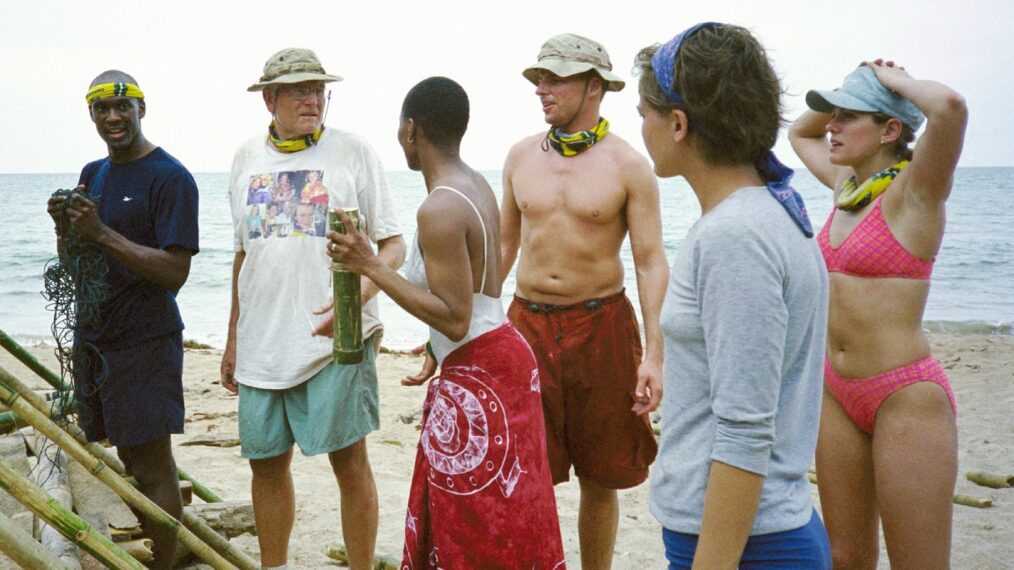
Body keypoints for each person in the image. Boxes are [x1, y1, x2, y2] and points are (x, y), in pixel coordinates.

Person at [327, 75, 565, 569]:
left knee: (472, 522)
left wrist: (369, 264)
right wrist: (437, 349)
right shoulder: (474, 182)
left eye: (401, 127)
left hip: (483, 370)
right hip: (501, 355)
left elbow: (456, 317)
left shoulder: (437, 207)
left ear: (411, 130)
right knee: (507, 516)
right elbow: (480, 295)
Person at [635, 23, 831, 568]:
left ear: (678, 123)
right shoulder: (766, 213)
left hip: (750, 546)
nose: (641, 126)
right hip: (758, 532)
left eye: (644, 112)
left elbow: (745, 433)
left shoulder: (735, 236)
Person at [220, 48, 405, 570]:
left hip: (337, 341)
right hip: (262, 343)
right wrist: (233, 339)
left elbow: (392, 245)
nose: (312, 98)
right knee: (266, 466)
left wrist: (358, 299)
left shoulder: (353, 152)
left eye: (318, 88)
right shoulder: (244, 159)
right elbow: (242, 256)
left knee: (349, 462)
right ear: (270, 100)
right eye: (298, 89)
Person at [789, 59, 967, 568]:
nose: (832, 126)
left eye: (848, 116)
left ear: (891, 130)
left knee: (918, 562)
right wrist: (850, 84)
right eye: (835, 115)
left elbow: (950, 108)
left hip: (904, 396)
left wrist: (895, 83)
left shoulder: (917, 191)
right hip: (835, 393)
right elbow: (800, 130)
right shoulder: (846, 184)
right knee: (845, 559)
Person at [499, 33, 668, 569]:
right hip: (526, 323)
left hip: (602, 326)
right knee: (525, 468)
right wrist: (468, 326)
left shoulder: (628, 165)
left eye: (555, 79)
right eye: (539, 79)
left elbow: (649, 261)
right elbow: (504, 245)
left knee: (602, 475)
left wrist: (655, 354)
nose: (542, 90)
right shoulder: (521, 155)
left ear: (594, 86)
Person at [46, 69, 199, 569]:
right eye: (102, 109)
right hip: (98, 340)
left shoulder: (170, 177)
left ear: (141, 109)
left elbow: (175, 272)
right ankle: (156, 556)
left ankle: (163, 564)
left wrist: (102, 231)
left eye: (123, 107)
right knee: (129, 458)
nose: (113, 117)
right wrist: (64, 229)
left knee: (154, 464)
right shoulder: (95, 172)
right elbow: (77, 262)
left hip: (146, 341)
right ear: (91, 114)